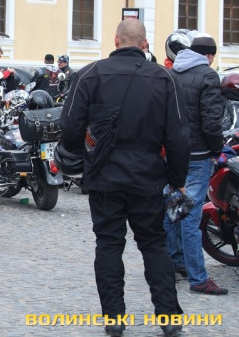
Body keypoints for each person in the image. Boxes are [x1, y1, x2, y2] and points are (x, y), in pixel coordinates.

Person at [59, 18, 189, 337]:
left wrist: (87, 154)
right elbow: (178, 137)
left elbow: (70, 129)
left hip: (104, 173)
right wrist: (177, 179)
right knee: (154, 244)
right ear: (145, 44)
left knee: (108, 244)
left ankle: (114, 319)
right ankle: (169, 318)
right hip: (148, 174)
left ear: (116, 40)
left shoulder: (90, 74)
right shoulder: (164, 78)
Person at [164, 30, 228, 296]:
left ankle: (173, 263)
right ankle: (198, 278)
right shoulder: (208, 75)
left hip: (172, 153)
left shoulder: (172, 73)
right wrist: (217, 149)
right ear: (209, 56)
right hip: (198, 155)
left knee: (172, 209)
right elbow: (211, 121)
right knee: (190, 217)